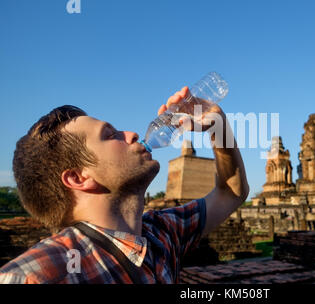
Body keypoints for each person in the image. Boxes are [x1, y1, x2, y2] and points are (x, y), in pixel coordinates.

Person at [0, 86, 249, 284]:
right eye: (110, 135)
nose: (131, 134)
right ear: (78, 178)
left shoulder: (160, 234)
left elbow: (231, 192)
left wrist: (218, 125)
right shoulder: (34, 276)